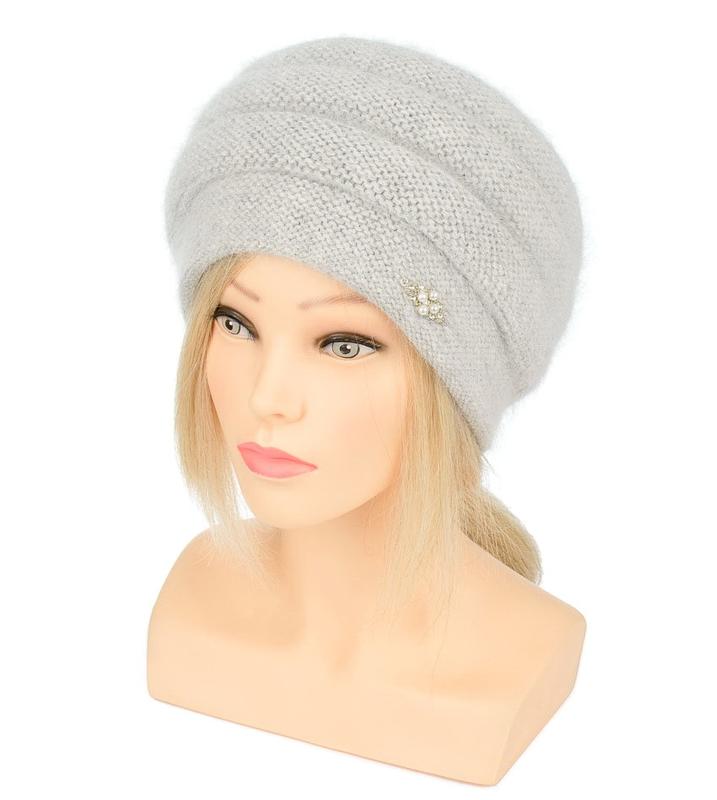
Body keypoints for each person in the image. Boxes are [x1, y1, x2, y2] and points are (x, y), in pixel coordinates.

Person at [147, 36, 587, 786]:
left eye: (343, 344)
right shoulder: (194, 596)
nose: (267, 398)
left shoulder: (520, 660)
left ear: (458, 385)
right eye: (237, 324)